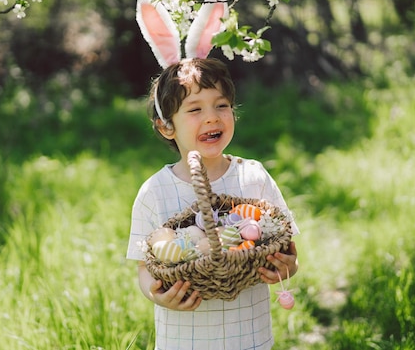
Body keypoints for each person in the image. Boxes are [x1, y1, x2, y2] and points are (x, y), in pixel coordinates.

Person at [126, 56, 300, 350]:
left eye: (221, 105)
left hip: (250, 338)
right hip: (185, 340)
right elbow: (145, 267)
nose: (212, 117)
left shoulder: (253, 176)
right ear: (167, 127)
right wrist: (157, 295)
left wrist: (287, 267)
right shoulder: (155, 191)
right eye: (195, 109)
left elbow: (286, 247)